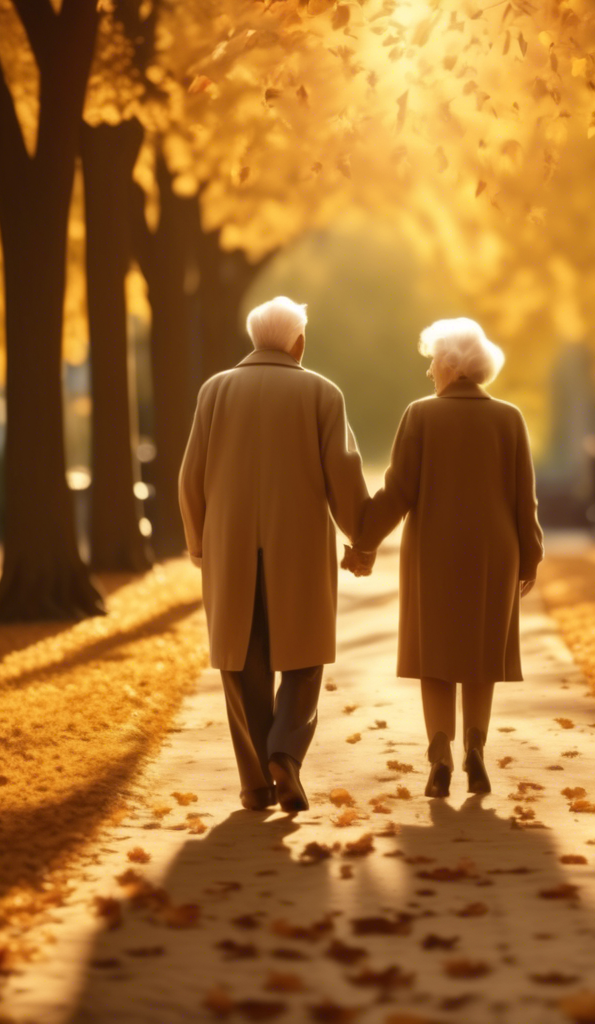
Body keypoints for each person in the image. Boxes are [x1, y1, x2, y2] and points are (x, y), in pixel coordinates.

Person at [179, 297, 373, 814]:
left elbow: (190, 477)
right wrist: (362, 538)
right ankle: (285, 751)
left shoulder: (215, 391)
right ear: (299, 342)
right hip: (300, 549)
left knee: (242, 664)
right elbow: (344, 475)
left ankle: (256, 786)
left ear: (252, 338)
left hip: (231, 547)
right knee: (305, 658)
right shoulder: (321, 393)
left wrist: (199, 543)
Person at [345, 318, 543, 798]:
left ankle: (439, 754)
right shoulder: (509, 418)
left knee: (433, 655)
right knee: (480, 653)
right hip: (494, 550)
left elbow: (398, 492)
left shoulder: (420, 415)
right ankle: (476, 749)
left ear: (452, 365)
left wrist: (363, 540)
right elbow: (524, 498)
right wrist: (530, 557)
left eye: (433, 360)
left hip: (432, 545)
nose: (429, 370)